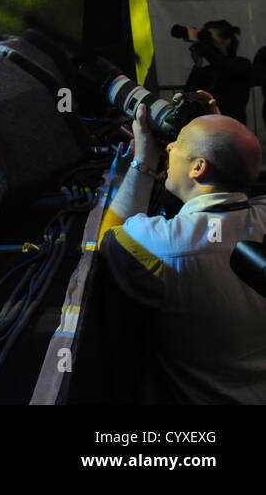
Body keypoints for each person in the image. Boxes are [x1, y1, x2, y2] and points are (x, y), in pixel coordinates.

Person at [97, 100, 266, 402]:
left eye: (178, 142)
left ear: (199, 167)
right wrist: (217, 130)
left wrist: (144, 161)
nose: (170, 147)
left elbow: (107, 240)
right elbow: (234, 161)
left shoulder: (163, 245)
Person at [179, 19, 251, 124]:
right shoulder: (206, 71)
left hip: (233, 127)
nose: (208, 44)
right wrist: (198, 65)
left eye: (211, 40)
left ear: (227, 41)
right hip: (208, 128)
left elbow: (224, 65)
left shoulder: (241, 64)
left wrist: (205, 48)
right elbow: (189, 94)